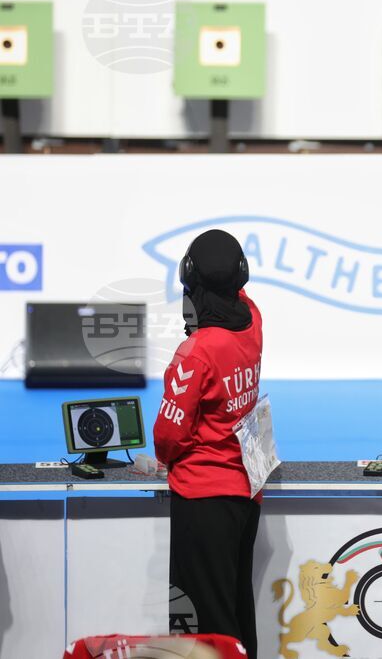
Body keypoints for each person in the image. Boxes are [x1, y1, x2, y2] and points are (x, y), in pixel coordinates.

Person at [154, 229, 264, 659]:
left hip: (203, 501)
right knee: (236, 614)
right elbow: (241, 297)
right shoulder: (254, 321)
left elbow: (168, 435)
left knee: (204, 629)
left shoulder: (194, 353)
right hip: (245, 494)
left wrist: (162, 460)